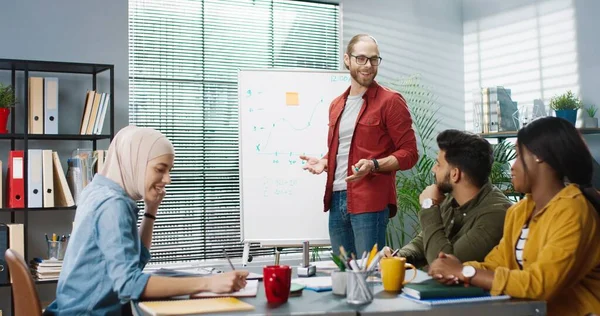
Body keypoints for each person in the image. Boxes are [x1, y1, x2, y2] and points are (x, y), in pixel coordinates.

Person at [45, 126, 248, 315]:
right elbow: (129, 285)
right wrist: (208, 284)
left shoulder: (97, 189)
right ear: (136, 162)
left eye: (169, 170)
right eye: (160, 169)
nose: (167, 179)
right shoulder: (113, 205)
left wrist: (151, 209)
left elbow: (136, 261)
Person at [429, 117, 600, 316]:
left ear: (539, 156)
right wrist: (455, 268)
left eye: (518, 155)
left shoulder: (573, 210)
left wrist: (466, 273)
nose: (512, 166)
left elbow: (540, 284)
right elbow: (497, 263)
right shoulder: (520, 211)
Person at [300, 34, 418, 257]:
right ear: (348, 59)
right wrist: (325, 161)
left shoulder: (390, 101)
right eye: (361, 59)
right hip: (336, 198)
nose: (368, 66)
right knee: (343, 275)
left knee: (369, 276)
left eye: (374, 60)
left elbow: (410, 153)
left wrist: (374, 164)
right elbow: (346, 146)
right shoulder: (337, 105)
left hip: (370, 201)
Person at [383, 130, 511, 268]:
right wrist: (399, 257)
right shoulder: (451, 199)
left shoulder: (496, 215)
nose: (433, 169)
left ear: (455, 174)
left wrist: (429, 206)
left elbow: (443, 265)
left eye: (439, 164)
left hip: (472, 288)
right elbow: (424, 239)